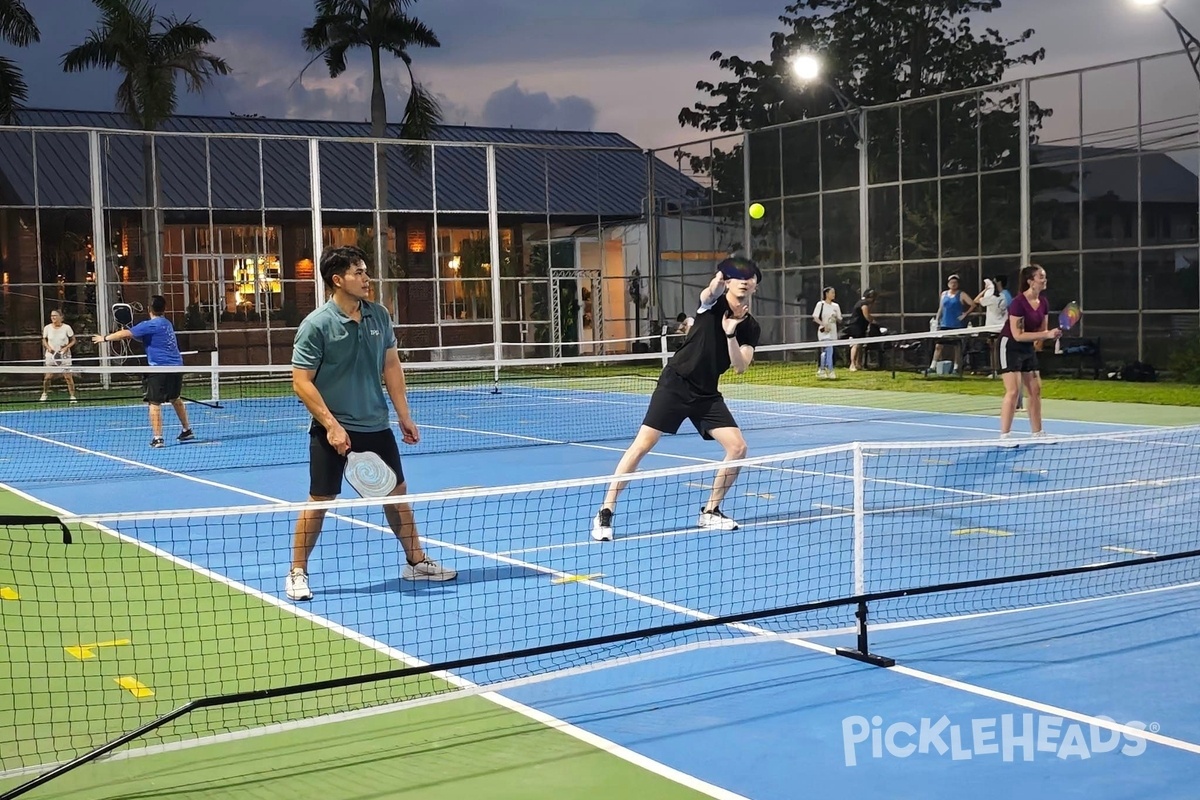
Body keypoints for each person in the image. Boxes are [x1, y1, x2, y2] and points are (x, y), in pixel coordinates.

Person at [286, 245, 455, 602]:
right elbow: (301, 381)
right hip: (332, 428)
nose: (367, 278)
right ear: (337, 280)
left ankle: (416, 562)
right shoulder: (317, 325)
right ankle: (297, 571)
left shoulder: (378, 315)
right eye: (358, 272)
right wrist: (331, 425)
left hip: (376, 425)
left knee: (397, 494)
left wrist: (403, 415)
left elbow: (391, 366)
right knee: (320, 499)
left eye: (366, 271)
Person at [591, 256, 762, 541]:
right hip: (676, 384)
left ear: (755, 285)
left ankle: (710, 511)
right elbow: (708, 293)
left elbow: (741, 366)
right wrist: (717, 281)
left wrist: (731, 334)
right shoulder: (712, 305)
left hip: (706, 394)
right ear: (728, 281)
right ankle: (605, 511)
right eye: (737, 276)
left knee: (738, 447)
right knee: (643, 444)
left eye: (750, 277)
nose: (744, 280)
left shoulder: (750, 327)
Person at [93, 295, 194, 449]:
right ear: (164, 309)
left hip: (159, 368)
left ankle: (158, 438)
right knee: (175, 398)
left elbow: (125, 334)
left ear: (149, 309)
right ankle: (187, 430)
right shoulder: (166, 324)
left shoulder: (150, 324)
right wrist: (133, 334)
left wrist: (104, 338)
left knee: (154, 403)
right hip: (177, 367)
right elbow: (147, 339)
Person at [999, 264, 1061, 439]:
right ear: (1030, 281)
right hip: (1009, 346)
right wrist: (1046, 334)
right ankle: (1005, 436)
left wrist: (1051, 335)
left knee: (1035, 389)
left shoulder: (1044, 303)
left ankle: (1038, 433)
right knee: (1013, 391)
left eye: (1044, 276)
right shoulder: (1017, 303)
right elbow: (1017, 335)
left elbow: (1041, 331)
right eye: (1040, 277)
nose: (1044, 280)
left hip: (1027, 348)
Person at [928, 274, 977, 374]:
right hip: (944, 324)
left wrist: (965, 314)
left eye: (955, 282)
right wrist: (937, 320)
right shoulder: (944, 294)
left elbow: (973, 304)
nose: (953, 284)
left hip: (956, 325)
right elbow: (941, 308)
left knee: (956, 346)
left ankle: (956, 367)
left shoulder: (961, 294)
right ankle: (932, 366)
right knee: (939, 345)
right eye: (951, 282)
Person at [975, 275, 1010, 378]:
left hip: (993, 327)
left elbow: (976, 300)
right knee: (1000, 349)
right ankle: (1002, 371)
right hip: (1003, 325)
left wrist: (985, 289)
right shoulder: (1005, 295)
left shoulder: (992, 298)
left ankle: (996, 371)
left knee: (994, 349)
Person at [40, 309, 77, 403]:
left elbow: (73, 340)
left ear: (61, 317)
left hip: (64, 356)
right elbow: (44, 339)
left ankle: (72, 396)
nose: (53, 318)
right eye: (52, 316)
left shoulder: (67, 328)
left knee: (68, 377)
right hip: (51, 355)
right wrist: (48, 347)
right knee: (48, 377)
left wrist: (66, 348)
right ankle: (44, 393)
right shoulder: (47, 328)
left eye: (55, 316)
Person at [811, 287, 842, 379]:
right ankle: (831, 370)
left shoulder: (836, 306)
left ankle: (822, 369)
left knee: (826, 351)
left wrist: (836, 317)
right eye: (832, 292)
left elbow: (840, 319)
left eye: (834, 293)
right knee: (829, 349)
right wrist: (823, 325)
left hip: (833, 331)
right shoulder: (820, 304)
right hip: (824, 332)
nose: (833, 294)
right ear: (826, 294)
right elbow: (815, 317)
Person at [844, 289, 877, 372]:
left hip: (861, 326)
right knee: (855, 344)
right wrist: (873, 321)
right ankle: (852, 364)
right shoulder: (863, 303)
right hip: (856, 327)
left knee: (860, 345)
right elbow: (866, 315)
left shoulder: (862, 302)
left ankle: (859, 364)